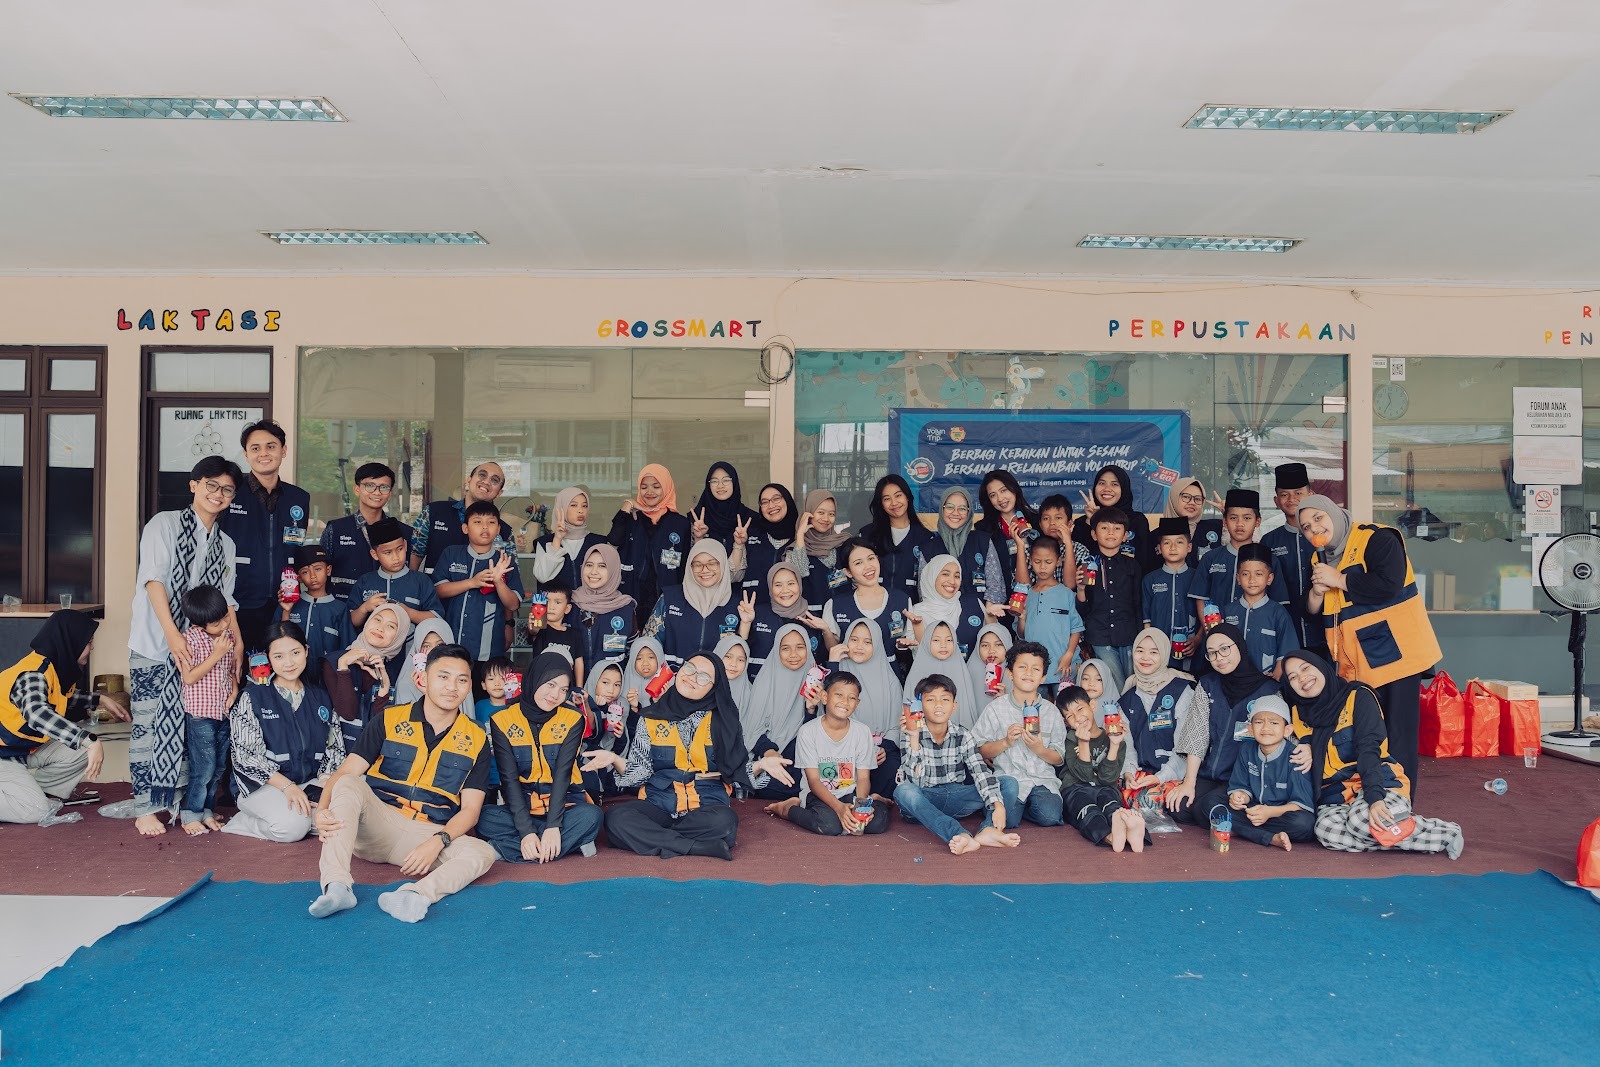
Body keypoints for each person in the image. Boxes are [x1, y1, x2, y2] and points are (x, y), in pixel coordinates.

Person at [309, 643, 499, 923]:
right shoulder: (389, 718)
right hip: (377, 825)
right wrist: (321, 810)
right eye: (443, 677)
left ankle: (414, 895)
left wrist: (438, 841)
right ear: (423, 679)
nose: (452, 687)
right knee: (349, 783)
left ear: (470, 686)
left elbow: (471, 810)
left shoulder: (477, 737)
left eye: (461, 680)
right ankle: (337, 886)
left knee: (482, 852)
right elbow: (344, 772)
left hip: (425, 836)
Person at [125, 455, 243, 837]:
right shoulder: (164, 524)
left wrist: (237, 646)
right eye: (211, 485)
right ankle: (146, 807)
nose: (218, 494)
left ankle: (184, 805)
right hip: (155, 643)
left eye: (227, 489)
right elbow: (153, 580)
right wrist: (173, 635)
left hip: (203, 653)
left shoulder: (225, 544)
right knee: (150, 725)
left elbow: (226, 602)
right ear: (194, 485)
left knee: (193, 729)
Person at [1298, 495, 1441, 798]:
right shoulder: (1318, 559)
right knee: (1367, 733)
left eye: (1318, 518)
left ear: (1335, 513)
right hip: (1355, 665)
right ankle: (1371, 797)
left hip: (1397, 656)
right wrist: (1317, 592)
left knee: (1398, 736)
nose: (1314, 529)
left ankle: (1400, 804)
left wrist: (1339, 579)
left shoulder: (1378, 538)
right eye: (1306, 527)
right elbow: (1311, 612)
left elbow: (1388, 584)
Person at [590, 652, 793, 859]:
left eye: (703, 677)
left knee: (725, 821)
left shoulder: (724, 721)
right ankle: (697, 847)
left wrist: (761, 765)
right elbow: (640, 772)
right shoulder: (651, 718)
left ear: (713, 687)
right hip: (658, 804)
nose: (692, 677)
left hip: (706, 805)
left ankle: (658, 839)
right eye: (690, 668)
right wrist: (615, 760)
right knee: (616, 818)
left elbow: (737, 772)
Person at [1281, 651, 1462, 858]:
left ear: (1321, 667)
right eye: (1292, 677)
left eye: (1305, 668)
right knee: (1326, 832)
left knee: (1359, 822)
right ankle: (1400, 828)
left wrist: (1375, 798)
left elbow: (1369, 749)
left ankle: (1443, 833)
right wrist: (1307, 745)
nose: (1302, 678)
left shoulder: (1358, 696)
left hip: (1379, 782)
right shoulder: (1298, 714)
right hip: (1336, 796)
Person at [0, 611, 127, 825]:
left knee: (82, 751)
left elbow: (60, 697)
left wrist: (99, 699)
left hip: (21, 750)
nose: (92, 648)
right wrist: (88, 740)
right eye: (88, 642)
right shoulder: (33, 674)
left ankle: (42, 793)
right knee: (35, 812)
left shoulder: (54, 669)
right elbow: (36, 713)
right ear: (70, 642)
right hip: (4, 755)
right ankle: (32, 801)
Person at [223, 621, 343, 843]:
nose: (289, 663)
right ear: (268, 658)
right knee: (293, 827)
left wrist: (324, 782)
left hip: (308, 783)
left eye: (295, 653)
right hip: (262, 786)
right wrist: (287, 787)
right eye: (278, 656)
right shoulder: (253, 697)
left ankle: (301, 817)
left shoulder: (321, 697)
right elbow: (246, 757)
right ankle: (242, 821)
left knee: (339, 819)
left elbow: (334, 748)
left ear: (306, 651)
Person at [477, 651, 603, 863]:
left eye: (563, 689)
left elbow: (563, 774)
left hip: (566, 806)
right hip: (523, 808)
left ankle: (508, 848)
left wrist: (553, 825)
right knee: (483, 818)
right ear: (534, 679)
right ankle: (562, 843)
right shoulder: (502, 720)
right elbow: (509, 779)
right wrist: (526, 830)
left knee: (592, 816)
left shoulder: (573, 719)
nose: (555, 695)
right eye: (550, 684)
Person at [895, 674, 1018, 853]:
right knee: (904, 790)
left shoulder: (963, 735)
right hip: (925, 800)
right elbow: (916, 782)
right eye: (931, 700)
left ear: (954, 706)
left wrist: (997, 805)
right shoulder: (911, 733)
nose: (938, 705)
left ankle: (988, 830)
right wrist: (914, 739)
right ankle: (959, 834)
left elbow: (980, 772)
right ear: (920, 706)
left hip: (956, 797)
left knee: (1008, 783)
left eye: (945, 699)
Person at [220, 419, 312, 654]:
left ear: (283, 450)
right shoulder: (230, 493)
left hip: (285, 602)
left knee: (280, 665)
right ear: (246, 454)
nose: (264, 453)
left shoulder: (298, 498)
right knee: (239, 666)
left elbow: (296, 545)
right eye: (255, 448)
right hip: (237, 601)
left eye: (271, 446)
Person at [766, 671, 891, 836]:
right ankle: (787, 808)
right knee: (829, 826)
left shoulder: (862, 732)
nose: (845, 702)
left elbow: (862, 778)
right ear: (824, 697)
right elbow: (813, 780)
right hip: (818, 794)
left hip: (850, 793)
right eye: (839, 695)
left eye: (852, 698)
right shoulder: (808, 732)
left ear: (857, 703)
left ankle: (872, 800)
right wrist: (839, 809)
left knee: (876, 824)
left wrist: (860, 806)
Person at [1190, 623, 1281, 824]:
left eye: (1224, 649)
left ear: (1240, 646)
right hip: (1210, 774)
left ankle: (1255, 824)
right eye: (1212, 653)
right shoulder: (1207, 684)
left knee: (1206, 807)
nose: (1219, 657)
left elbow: (1279, 741)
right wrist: (1188, 782)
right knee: (1180, 806)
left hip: (1246, 779)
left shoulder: (1268, 690)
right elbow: (1197, 736)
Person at [1118, 628, 1207, 824]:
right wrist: (1129, 773)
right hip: (1142, 774)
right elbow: (1127, 746)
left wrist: (1160, 777)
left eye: (1154, 652)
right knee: (1118, 796)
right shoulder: (1127, 697)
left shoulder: (1181, 690)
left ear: (1165, 654)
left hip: (1175, 774)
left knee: (1153, 802)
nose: (1145, 657)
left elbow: (1185, 748)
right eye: (1140, 650)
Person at [974, 640, 1066, 828]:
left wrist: (1039, 749)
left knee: (1050, 816)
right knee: (1007, 820)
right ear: (1010, 673)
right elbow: (979, 750)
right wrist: (1005, 742)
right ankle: (1013, 809)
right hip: (1010, 780)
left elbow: (1059, 758)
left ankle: (1026, 808)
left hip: (1043, 781)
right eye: (1022, 667)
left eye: (1036, 669)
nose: (1028, 673)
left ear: (1043, 677)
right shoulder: (995, 708)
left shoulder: (1051, 711)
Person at [177, 585, 238, 835]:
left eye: (225, 617)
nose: (224, 624)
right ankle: (191, 813)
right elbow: (189, 677)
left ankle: (207, 811)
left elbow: (230, 670)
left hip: (223, 711)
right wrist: (217, 653)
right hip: (200, 714)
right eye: (216, 623)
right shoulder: (189, 640)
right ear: (199, 625)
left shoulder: (228, 635)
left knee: (220, 767)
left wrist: (234, 691)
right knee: (204, 767)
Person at [1056, 684, 1146, 851]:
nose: (1078, 718)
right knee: (1086, 809)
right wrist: (1083, 743)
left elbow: (1108, 779)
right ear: (1066, 722)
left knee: (1112, 806)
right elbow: (1084, 776)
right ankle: (1111, 837)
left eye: (1080, 709)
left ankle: (1131, 830)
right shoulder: (1070, 739)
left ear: (1092, 705)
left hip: (1105, 787)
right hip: (1075, 788)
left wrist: (1114, 745)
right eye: (1070, 716)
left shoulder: (1114, 738)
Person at [432, 500, 524, 662]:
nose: (485, 527)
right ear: (465, 528)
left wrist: (498, 582)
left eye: (491, 522)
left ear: (498, 529)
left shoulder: (504, 561)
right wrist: (472, 582)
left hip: (489, 648)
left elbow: (513, 604)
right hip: (450, 644)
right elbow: (438, 590)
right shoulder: (451, 553)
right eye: (477, 522)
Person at [1225, 693, 1314, 851]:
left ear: (1287, 730)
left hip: (1282, 813)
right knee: (1208, 804)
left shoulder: (1296, 756)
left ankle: (1242, 830)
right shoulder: (1246, 750)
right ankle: (1270, 837)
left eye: (1274, 722)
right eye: (1259, 722)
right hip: (1253, 810)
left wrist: (1270, 812)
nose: (1266, 728)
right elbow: (1241, 785)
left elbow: (1301, 805)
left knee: (1304, 824)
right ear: (1250, 729)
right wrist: (1240, 796)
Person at [829, 618, 905, 797]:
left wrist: (884, 747)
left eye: (867, 642)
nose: (859, 646)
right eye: (854, 639)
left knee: (893, 775)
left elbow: (897, 726)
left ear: (877, 645)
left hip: (879, 752)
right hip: (842, 750)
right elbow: (826, 711)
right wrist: (832, 664)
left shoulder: (890, 681)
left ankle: (876, 800)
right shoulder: (836, 672)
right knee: (834, 784)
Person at [740, 623, 814, 802]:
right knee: (772, 787)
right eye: (785, 648)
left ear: (808, 648)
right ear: (777, 651)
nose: (793, 654)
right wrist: (769, 751)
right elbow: (751, 728)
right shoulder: (764, 683)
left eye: (800, 647)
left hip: (803, 759)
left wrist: (811, 709)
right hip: (771, 755)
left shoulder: (817, 682)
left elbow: (819, 732)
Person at [607, 463, 693, 614]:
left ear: (666, 487)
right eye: (644, 487)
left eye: (656, 486)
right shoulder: (632, 518)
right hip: (631, 600)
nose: (649, 492)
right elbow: (614, 539)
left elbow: (686, 566)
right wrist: (628, 504)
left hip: (668, 602)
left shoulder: (680, 524)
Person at [644, 538, 742, 668]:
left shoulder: (737, 605)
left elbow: (740, 655)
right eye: (697, 564)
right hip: (671, 678)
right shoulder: (670, 598)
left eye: (712, 563)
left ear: (723, 564)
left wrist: (746, 624)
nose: (705, 569)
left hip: (715, 680)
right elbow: (649, 644)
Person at [1191, 489, 1277, 637]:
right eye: (1233, 518)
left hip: (1255, 636)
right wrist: (1211, 631)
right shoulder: (1210, 558)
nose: (1239, 524)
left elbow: (1276, 602)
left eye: (1247, 518)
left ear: (1258, 521)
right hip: (1216, 637)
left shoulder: (1269, 559)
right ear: (1225, 521)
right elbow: (1201, 598)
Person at [324, 602, 408, 751]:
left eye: (391, 626)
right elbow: (348, 713)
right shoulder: (334, 661)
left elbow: (381, 729)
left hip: (372, 757)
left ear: (399, 636)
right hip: (335, 757)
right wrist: (343, 667)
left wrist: (384, 688)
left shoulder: (396, 672)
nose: (380, 628)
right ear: (367, 621)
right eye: (377, 619)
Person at [1075, 507, 1141, 694]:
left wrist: (1141, 635)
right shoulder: (1087, 565)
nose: (1111, 532)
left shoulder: (1132, 565)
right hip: (1099, 635)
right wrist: (1080, 589)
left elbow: (1138, 603)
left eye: (1117, 528)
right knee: (1116, 683)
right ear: (1094, 534)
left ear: (1125, 535)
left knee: (1133, 682)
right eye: (1104, 528)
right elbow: (1082, 610)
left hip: (1128, 634)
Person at [1260, 463, 1323, 654]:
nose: (1291, 499)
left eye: (1298, 493)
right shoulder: (1269, 541)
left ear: (1311, 495)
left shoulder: (1325, 535)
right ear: (1276, 501)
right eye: (1284, 494)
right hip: (1285, 634)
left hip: (1326, 632)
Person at [411, 462, 513, 575]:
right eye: (482, 475)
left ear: (499, 493)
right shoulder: (433, 512)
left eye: (494, 480)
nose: (486, 481)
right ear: (469, 480)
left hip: (482, 586)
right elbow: (414, 552)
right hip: (433, 585)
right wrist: (412, 584)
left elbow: (511, 573)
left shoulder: (504, 531)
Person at [819, 539, 914, 659]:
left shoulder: (902, 599)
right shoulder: (835, 604)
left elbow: (907, 641)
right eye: (858, 563)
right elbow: (834, 649)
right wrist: (826, 630)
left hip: (889, 669)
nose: (868, 566)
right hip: (850, 669)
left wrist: (903, 645)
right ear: (848, 572)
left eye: (871, 558)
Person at [320, 461, 396, 601]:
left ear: (390, 494)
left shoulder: (402, 531)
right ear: (357, 489)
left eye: (384, 487)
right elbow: (320, 572)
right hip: (342, 608)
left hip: (387, 609)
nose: (377, 492)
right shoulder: (335, 530)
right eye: (370, 486)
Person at [860, 475, 941, 604]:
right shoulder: (867, 535)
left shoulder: (926, 538)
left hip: (911, 609)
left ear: (907, 497)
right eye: (887, 499)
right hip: (872, 608)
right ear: (881, 504)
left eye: (898, 495)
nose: (894, 503)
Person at [1221, 544, 1299, 678]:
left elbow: (1287, 652)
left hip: (1266, 682)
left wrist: (1274, 681)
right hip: (1231, 681)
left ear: (1269, 578)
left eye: (1258, 574)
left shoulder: (1278, 613)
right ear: (1238, 578)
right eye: (1245, 574)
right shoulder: (1227, 611)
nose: (1252, 580)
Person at [1019, 538, 1084, 696]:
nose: (1042, 567)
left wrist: (1069, 654)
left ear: (1058, 561)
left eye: (1048, 562)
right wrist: (1022, 618)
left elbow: (1076, 628)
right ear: (1030, 561)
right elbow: (1021, 634)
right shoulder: (1027, 595)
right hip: (1034, 668)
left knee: (1066, 707)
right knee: (1035, 708)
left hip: (1063, 666)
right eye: (1037, 561)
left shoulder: (1066, 594)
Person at [350, 517, 442, 628]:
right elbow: (351, 621)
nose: (396, 557)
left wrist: (408, 612)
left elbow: (437, 618)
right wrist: (364, 608)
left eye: (400, 549)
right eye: (388, 552)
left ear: (405, 545)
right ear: (374, 554)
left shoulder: (421, 581)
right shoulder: (365, 581)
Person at [280, 545, 354, 682]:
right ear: (299, 578)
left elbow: (347, 648)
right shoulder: (289, 605)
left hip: (327, 681)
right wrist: (286, 610)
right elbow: (277, 642)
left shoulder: (339, 609)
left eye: (318, 569)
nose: (313, 576)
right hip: (293, 679)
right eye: (305, 572)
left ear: (328, 570)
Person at [740, 561, 825, 674]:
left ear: (799, 585)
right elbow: (739, 651)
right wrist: (745, 623)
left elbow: (821, 660)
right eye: (778, 585)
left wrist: (826, 631)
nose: (785, 590)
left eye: (791, 583)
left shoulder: (813, 619)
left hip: (802, 684)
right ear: (770, 587)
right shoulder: (757, 614)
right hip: (761, 683)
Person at [914, 554, 1004, 660]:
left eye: (957, 576)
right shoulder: (917, 612)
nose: (952, 581)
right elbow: (919, 656)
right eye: (945, 574)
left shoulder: (974, 604)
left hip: (972, 671)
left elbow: (994, 642)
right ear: (931, 576)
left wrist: (991, 618)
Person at [903, 620, 984, 730]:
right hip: (922, 737)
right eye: (936, 640)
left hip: (959, 737)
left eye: (949, 640)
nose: (943, 645)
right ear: (927, 641)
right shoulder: (916, 673)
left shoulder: (962, 673)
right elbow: (911, 712)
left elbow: (967, 714)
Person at [934, 486, 1008, 605]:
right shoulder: (929, 547)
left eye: (962, 508)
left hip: (981, 614)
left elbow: (996, 586)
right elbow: (925, 590)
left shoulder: (983, 541)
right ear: (941, 509)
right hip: (940, 615)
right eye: (950, 507)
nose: (955, 513)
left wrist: (987, 612)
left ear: (969, 512)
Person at [1143, 517, 1199, 671]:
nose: (1173, 547)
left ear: (1189, 547)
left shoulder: (1198, 577)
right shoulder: (1150, 579)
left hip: (1190, 647)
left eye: (1179, 542)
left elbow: (1204, 613)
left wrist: (1197, 640)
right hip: (1158, 649)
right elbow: (1146, 618)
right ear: (1159, 548)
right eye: (1167, 543)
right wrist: (1151, 646)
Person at [1073, 465, 1153, 573]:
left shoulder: (1137, 521)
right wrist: (1092, 521)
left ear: (1123, 489)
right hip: (1093, 583)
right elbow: (1078, 562)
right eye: (1102, 483)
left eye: (1114, 484)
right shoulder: (1082, 523)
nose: (1107, 489)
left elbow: (1146, 563)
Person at [571, 544, 636, 673]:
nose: (593, 571)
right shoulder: (571, 604)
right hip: (573, 683)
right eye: (589, 565)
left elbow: (633, 653)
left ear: (613, 570)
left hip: (612, 684)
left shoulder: (625, 608)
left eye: (602, 566)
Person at [974, 469, 1039, 598]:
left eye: (1003, 490)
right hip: (1000, 600)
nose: (1000, 499)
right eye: (993, 495)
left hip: (1036, 598)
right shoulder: (983, 529)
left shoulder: (1037, 521)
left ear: (1014, 489)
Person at [532, 486, 610, 591]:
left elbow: (607, 580)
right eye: (574, 505)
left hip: (589, 602)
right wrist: (557, 540)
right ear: (562, 508)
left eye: (584, 506)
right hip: (555, 602)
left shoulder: (599, 542)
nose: (580, 510)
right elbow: (543, 577)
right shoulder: (544, 542)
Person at [789, 489, 853, 610]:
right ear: (808, 514)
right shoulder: (795, 550)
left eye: (831, 514)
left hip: (844, 615)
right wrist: (800, 535)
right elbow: (801, 573)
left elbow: (857, 580)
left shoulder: (843, 544)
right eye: (820, 512)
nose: (826, 518)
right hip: (811, 617)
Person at [739, 483, 800, 606]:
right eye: (765, 502)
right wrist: (738, 545)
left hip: (791, 613)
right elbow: (736, 576)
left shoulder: (801, 536)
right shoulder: (752, 534)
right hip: (754, 612)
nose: (771, 505)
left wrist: (800, 538)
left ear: (787, 500)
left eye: (776, 499)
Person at [688, 461, 758, 555]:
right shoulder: (697, 520)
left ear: (734, 482)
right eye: (714, 481)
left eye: (726, 480)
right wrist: (698, 539)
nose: (720, 486)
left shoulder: (751, 519)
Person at [1162, 477, 1223, 568]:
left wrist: (1230, 513)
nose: (1192, 502)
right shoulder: (1156, 536)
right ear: (1174, 497)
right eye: (1186, 497)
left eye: (1197, 499)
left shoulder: (1214, 528)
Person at [529, 582, 584, 682]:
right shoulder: (540, 629)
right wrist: (535, 623)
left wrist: (579, 687)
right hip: (542, 683)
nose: (551, 607)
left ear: (567, 608)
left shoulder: (574, 634)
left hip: (566, 684)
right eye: (547, 601)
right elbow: (533, 631)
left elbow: (578, 662)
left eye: (557, 602)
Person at [393, 618, 454, 707]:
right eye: (426, 646)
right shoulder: (407, 684)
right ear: (418, 649)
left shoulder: (459, 678)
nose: (433, 651)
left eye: (440, 645)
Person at [1036, 494, 1089, 589]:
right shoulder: (1033, 550)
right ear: (1040, 524)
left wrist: (1068, 544)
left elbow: (1071, 585)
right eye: (1046, 518)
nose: (1052, 523)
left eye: (1058, 518)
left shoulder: (1080, 550)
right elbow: (1022, 585)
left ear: (1070, 523)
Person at [966, 623, 1012, 708]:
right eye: (985, 645)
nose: (991, 651)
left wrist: (1005, 700)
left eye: (998, 644)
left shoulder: (1016, 675)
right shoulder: (968, 673)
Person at [716, 635, 754, 722]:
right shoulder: (703, 687)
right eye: (728, 657)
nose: (733, 664)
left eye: (740, 660)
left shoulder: (752, 693)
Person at [1075, 658, 1121, 727]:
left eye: (1099, 679)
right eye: (1085, 679)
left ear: (1107, 681)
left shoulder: (1118, 710)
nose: (1091, 684)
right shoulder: (1071, 708)